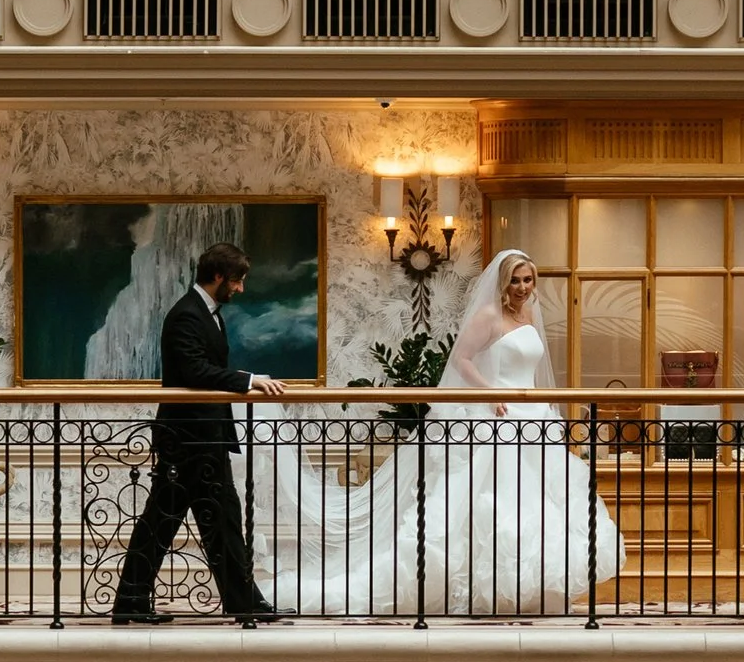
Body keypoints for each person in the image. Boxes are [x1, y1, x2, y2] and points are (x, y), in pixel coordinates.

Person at [260, 246, 622, 614]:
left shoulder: (529, 314)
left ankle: (532, 592)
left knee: (540, 503)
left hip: (533, 419)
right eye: (515, 280)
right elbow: (461, 360)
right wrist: (490, 393)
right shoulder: (488, 315)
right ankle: (478, 589)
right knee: (485, 504)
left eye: (528, 280)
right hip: (498, 416)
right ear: (502, 281)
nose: (522, 287)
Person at [111, 243, 286, 628]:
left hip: (199, 437)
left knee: (205, 521)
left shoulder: (206, 313)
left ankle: (137, 601)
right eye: (237, 281)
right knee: (188, 521)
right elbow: (196, 372)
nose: (240, 289)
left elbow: (203, 370)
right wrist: (250, 380)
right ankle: (241, 604)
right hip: (188, 439)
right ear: (220, 276)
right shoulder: (187, 315)